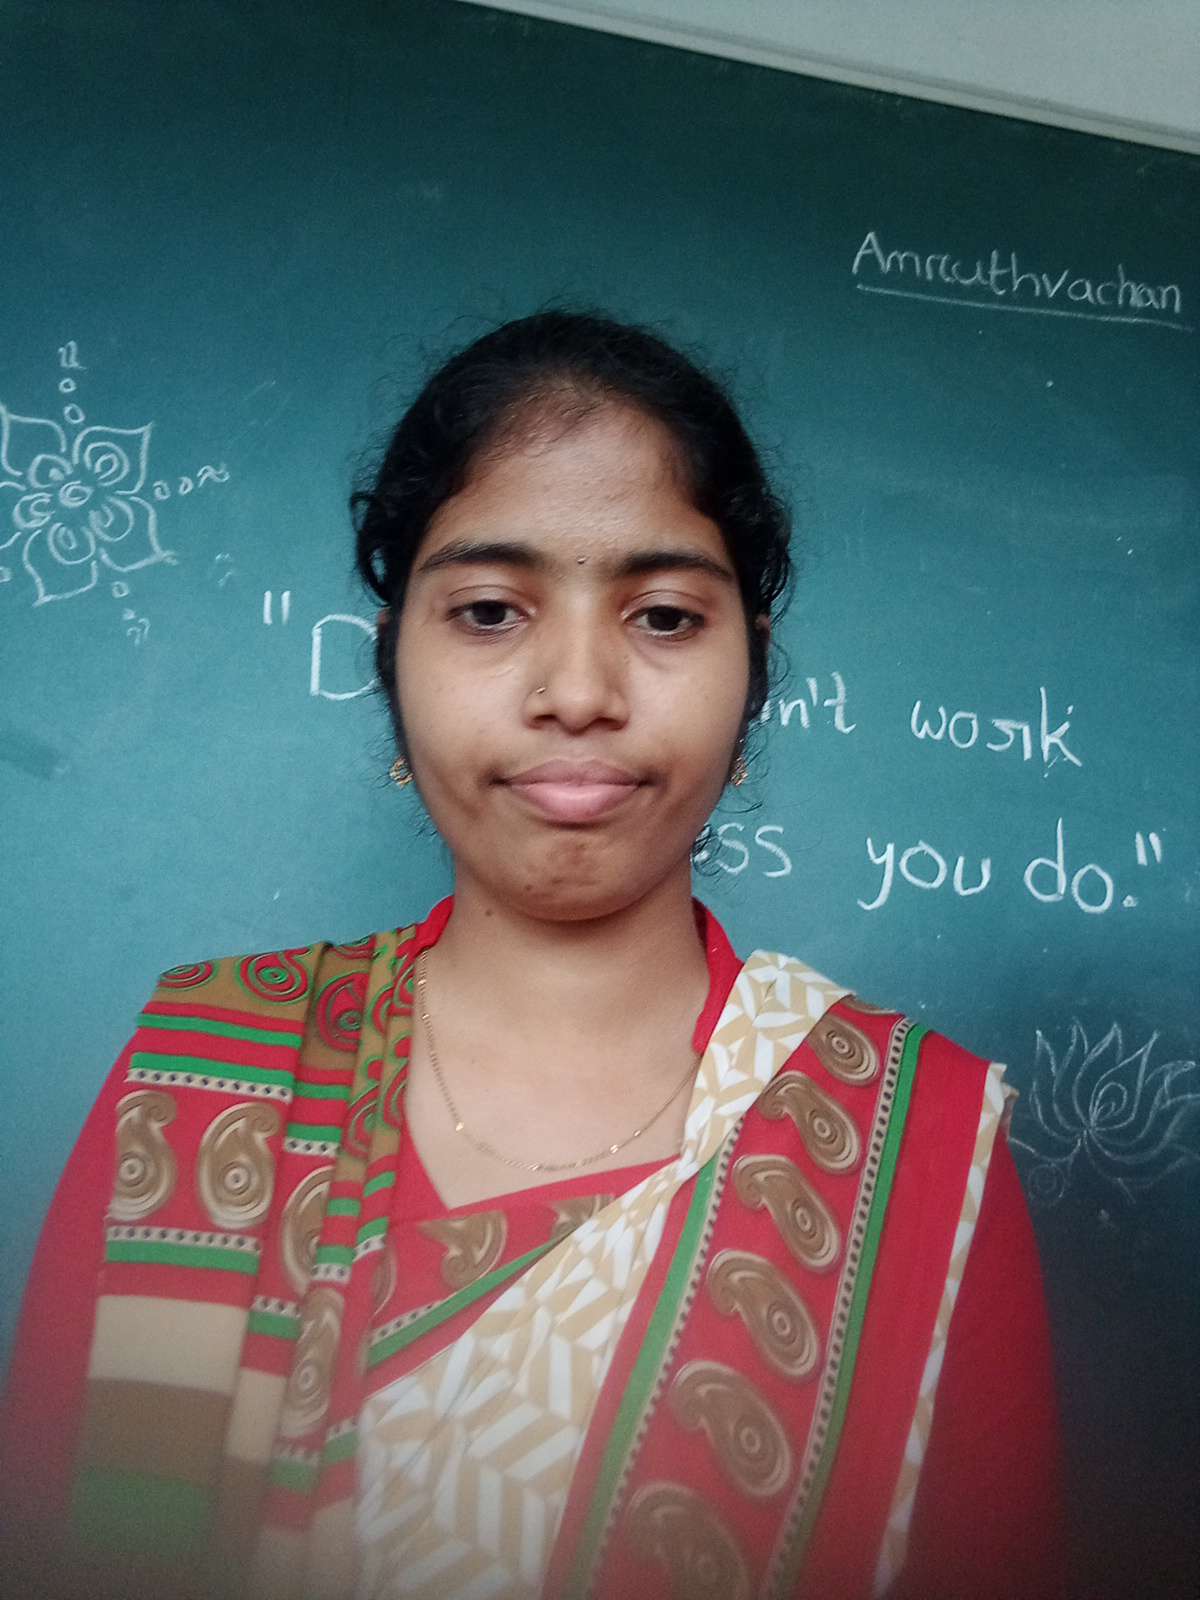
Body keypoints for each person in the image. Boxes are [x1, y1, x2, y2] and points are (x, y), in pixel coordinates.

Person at [1, 310, 1064, 1600]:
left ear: (752, 676)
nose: (578, 690)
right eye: (492, 610)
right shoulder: (202, 1074)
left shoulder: (919, 1143)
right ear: (393, 662)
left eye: (663, 616)